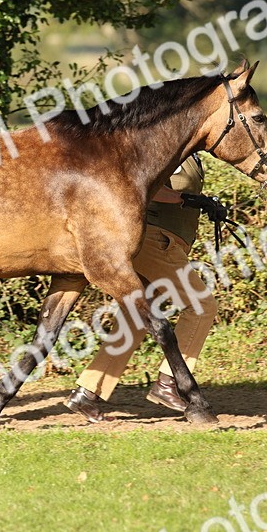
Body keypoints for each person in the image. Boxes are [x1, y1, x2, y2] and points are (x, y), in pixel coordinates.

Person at [65, 153, 218, 422]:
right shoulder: (169, 146)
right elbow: (144, 184)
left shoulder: (189, 149)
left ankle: (88, 392)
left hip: (167, 239)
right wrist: (186, 199)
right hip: (155, 239)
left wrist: (204, 203)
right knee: (202, 306)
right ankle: (170, 383)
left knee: (136, 316)